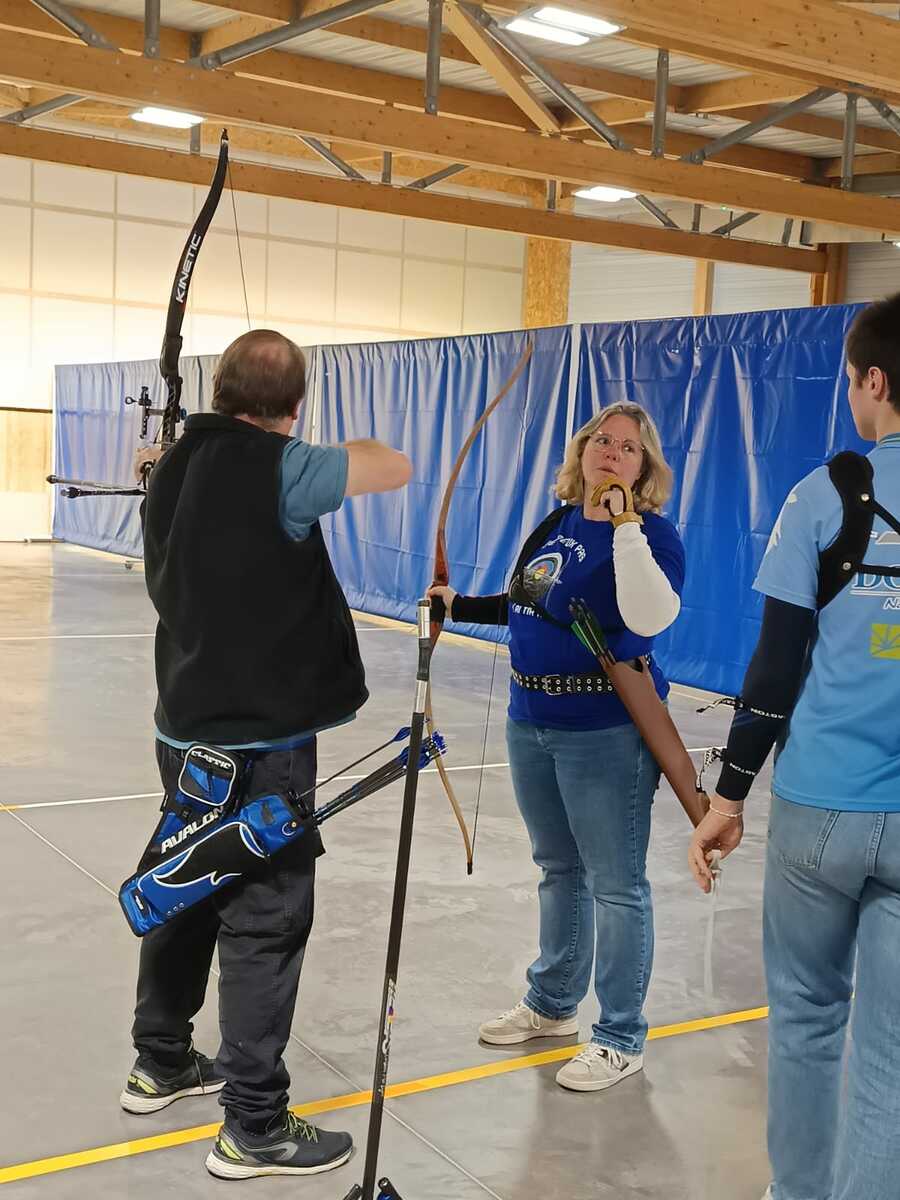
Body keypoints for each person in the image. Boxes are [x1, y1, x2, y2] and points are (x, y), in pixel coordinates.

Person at [120, 329, 412, 1180]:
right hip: (259, 745)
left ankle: (161, 1061)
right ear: (294, 404)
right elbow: (391, 465)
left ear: (219, 390)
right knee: (266, 918)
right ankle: (254, 1125)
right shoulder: (284, 467)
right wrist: (308, 446)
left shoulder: (173, 464)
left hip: (184, 729)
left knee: (185, 883)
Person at [688, 294, 900, 1200]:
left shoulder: (821, 497)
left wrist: (728, 798)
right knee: (892, 1056)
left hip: (821, 810)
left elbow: (775, 666)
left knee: (809, 1020)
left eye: (851, 381)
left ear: (875, 382)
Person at [429, 402, 685, 1092]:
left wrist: (624, 524)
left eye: (627, 446)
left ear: (644, 466)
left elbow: (648, 616)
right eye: (601, 440)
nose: (611, 452)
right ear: (582, 450)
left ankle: (620, 1036)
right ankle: (552, 1003)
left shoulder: (654, 537)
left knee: (617, 885)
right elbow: (527, 602)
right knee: (558, 868)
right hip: (531, 717)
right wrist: (458, 605)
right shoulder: (557, 523)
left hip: (604, 733)